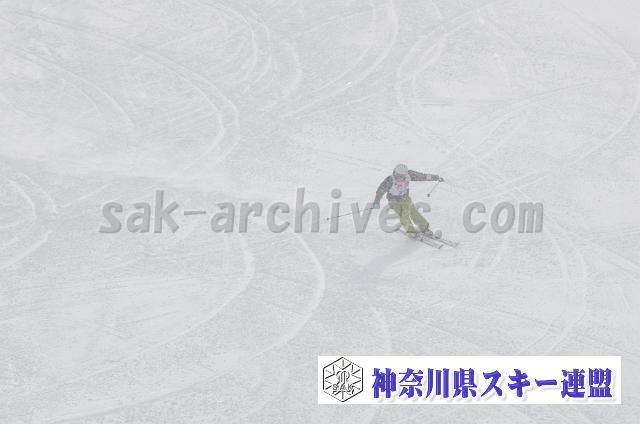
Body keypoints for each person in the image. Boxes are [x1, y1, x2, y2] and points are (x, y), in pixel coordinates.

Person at [372, 164, 444, 235]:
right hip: (393, 200)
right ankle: (410, 230)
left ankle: (424, 228)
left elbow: (423, 176)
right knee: (404, 214)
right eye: (397, 175)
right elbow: (380, 191)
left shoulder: (410, 175)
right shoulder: (389, 180)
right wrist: (376, 201)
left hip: (405, 198)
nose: (398, 178)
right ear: (394, 173)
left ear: (405, 175)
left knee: (413, 212)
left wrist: (436, 177)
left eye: (401, 176)